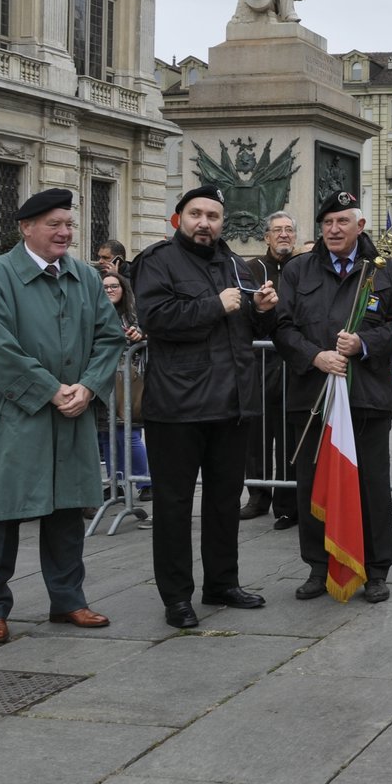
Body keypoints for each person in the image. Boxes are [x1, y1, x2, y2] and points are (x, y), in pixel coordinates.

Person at [0, 189, 124, 645]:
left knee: (67, 510)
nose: (65, 232)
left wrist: (89, 386)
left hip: (71, 410)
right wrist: (52, 391)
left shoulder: (86, 277)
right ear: (26, 228)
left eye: (69, 225)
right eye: (55, 224)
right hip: (13, 415)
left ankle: (68, 599)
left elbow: (109, 338)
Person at [134, 186, 278, 629]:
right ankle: (177, 596)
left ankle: (222, 582)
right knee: (175, 507)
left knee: (222, 502)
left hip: (231, 405)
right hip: (177, 407)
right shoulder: (157, 261)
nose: (205, 223)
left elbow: (248, 324)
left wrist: (264, 309)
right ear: (179, 219)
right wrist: (212, 305)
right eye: (196, 214)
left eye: (213, 216)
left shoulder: (235, 263)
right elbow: (155, 319)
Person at [275, 191, 392, 604]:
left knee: (371, 484)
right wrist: (316, 356)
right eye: (327, 222)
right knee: (313, 485)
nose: (334, 229)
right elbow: (282, 328)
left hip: (366, 397)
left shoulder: (384, 271)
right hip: (312, 396)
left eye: (342, 222)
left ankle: (376, 569)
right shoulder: (298, 271)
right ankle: (319, 566)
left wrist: (362, 345)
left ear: (360, 226)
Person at [240, 211, 301, 527]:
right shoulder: (252, 269)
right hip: (261, 364)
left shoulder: (302, 268)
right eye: (277, 230)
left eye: (289, 230)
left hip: (292, 364)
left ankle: (288, 503)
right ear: (266, 237)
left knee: (289, 437)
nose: (284, 235)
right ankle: (258, 496)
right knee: (258, 435)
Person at [97, 271, 152, 504]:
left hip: (130, 378)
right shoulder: (95, 312)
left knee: (129, 433)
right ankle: (116, 483)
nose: (110, 290)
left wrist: (139, 335)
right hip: (103, 379)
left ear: (123, 289)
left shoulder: (133, 313)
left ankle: (145, 482)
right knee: (108, 433)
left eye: (114, 286)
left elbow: (148, 333)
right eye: (106, 287)